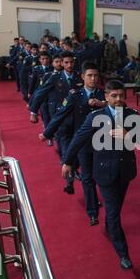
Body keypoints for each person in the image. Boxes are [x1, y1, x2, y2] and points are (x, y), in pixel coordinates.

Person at [62, 80, 140, 270]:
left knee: (116, 209)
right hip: (104, 171)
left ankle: (110, 227)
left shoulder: (132, 115)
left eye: (121, 95)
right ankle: (123, 253)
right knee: (112, 211)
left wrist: (129, 134)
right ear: (106, 96)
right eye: (114, 96)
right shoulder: (96, 117)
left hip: (126, 170)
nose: (118, 99)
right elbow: (78, 139)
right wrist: (68, 162)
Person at [40, 62, 107, 226]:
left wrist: (103, 104)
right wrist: (47, 133)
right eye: (89, 75)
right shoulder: (75, 95)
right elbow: (60, 115)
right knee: (87, 178)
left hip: (102, 142)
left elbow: (118, 110)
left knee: (99, 175)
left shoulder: (104, 94)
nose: (93, 79)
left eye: (95, 76)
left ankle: (92, 197)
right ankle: (92, 212)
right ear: (83, 77)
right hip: (83, 143)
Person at [30, 51, 83, 194]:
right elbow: (40, 93)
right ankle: (69, 181)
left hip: (78, 118)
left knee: (77, 148)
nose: (69, 65)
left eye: (71, 62)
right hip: (62, 119)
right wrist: (33, 111)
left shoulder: (80, 77)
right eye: (66, 62)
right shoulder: (55, 78)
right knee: (65, 147)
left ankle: (73, 168)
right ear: (62, 63)